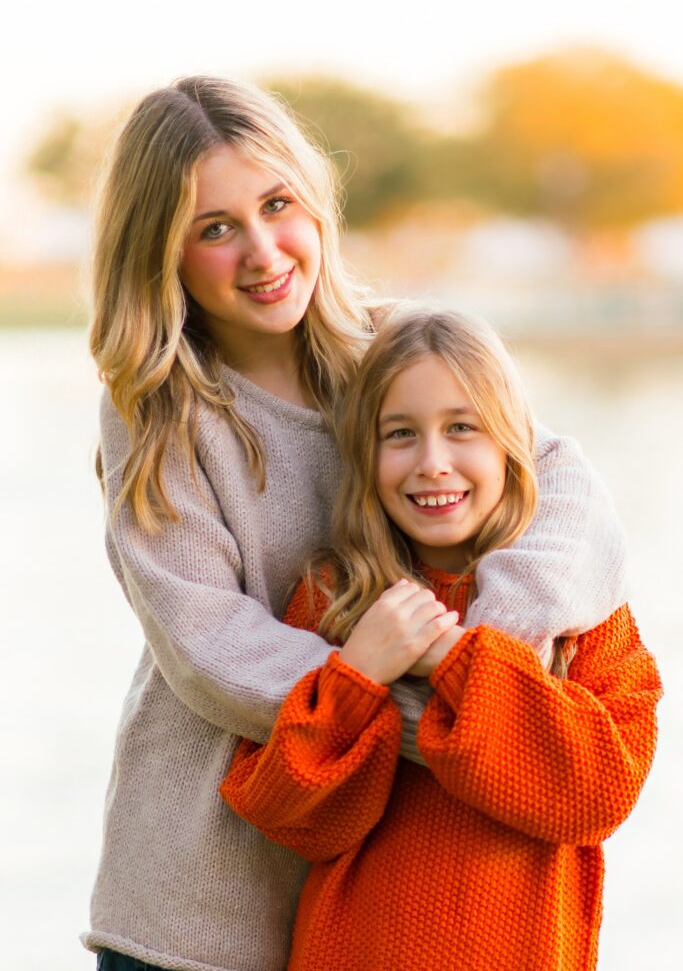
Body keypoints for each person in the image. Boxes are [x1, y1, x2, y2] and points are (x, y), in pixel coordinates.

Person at [83, 75, 629, 971]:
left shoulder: (400, 347)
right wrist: (431, 711)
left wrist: (483, 661)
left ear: (315, 204)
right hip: (206, 900)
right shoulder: (159, 413)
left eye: (276, 205)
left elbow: (562, 489)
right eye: (214, 229)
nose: (262, 251)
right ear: (161, 253)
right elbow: (210, 648)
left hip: (383, 902)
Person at [222, 309, 662, 971]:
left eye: (461, 428)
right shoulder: (334, 596)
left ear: (510, 441)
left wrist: (453, 659)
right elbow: (292, 818)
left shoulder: (580, 610)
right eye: (399, 434)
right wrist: (357, 675)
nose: (432, 463)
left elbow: (595, 797)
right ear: (362, 456)